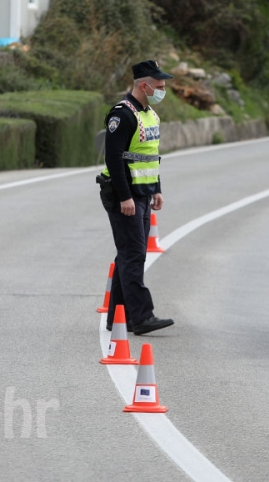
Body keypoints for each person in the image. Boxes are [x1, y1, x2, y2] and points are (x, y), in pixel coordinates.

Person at [98, 60, 175, 336]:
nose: (162, 91)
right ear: (144, 85)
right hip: (124, 196)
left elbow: (149, 155)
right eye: (159, 86)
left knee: (131, 255)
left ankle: (116, 317)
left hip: (143, 193)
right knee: (133, 255)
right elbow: (114, 158)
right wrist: (124, 197)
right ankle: (141, 317)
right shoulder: (123, 114)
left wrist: (157, 188)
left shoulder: (149, 114)